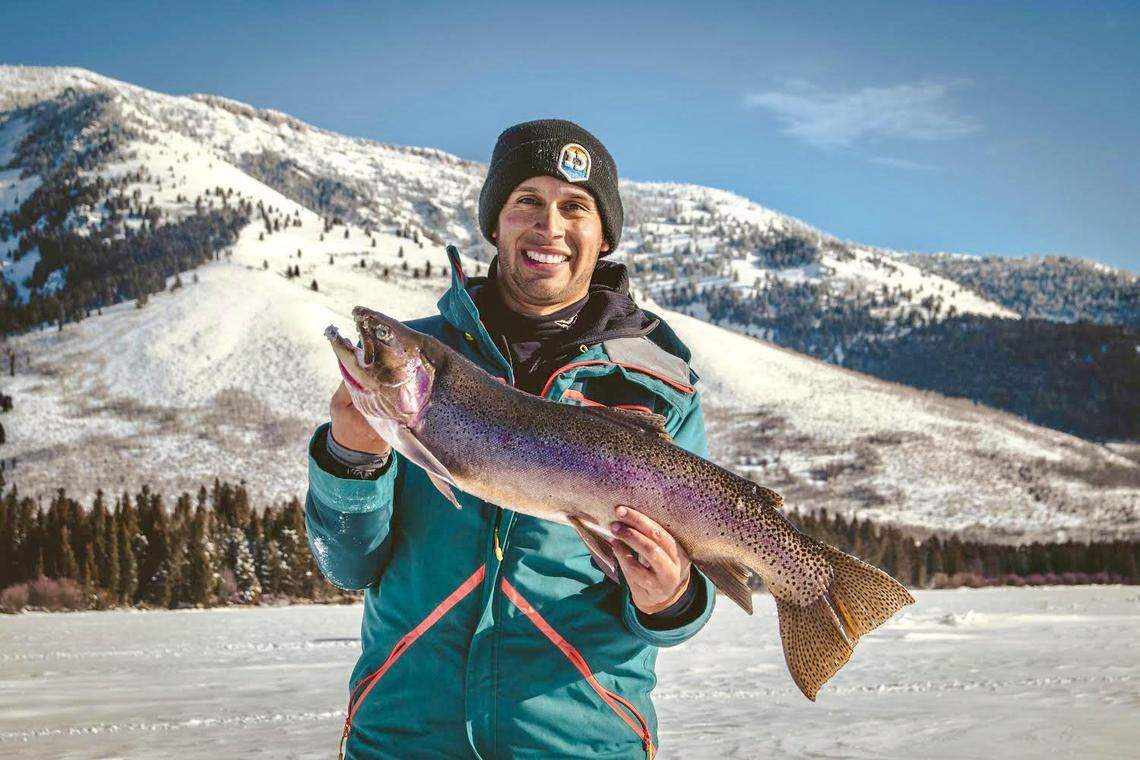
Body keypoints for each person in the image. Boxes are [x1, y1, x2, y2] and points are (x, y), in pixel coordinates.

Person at [306, 119, 715, 759]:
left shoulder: (661, 389)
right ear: (494, 222)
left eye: (575, 207)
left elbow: (686, 609)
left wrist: (670, 597)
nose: (548, 226)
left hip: (580, 742)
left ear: (604, 236)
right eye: (527, 201)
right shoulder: (417, 364)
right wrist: (350, 458)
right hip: (404, 741)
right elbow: (346, 565)